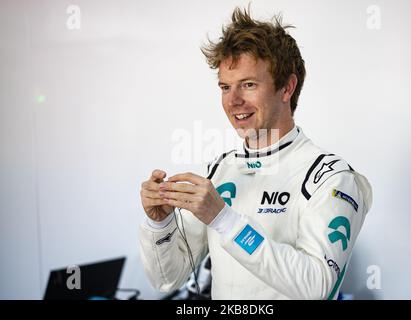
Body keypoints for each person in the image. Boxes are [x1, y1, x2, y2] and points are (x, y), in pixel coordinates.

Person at [139, 6, 372, 300]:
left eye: (248, 85)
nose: (233, 101)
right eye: (225, 87)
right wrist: (159, 224)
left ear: (287, 87)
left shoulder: (331, 178)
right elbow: (167, 279)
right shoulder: (220, 170)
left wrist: (224, 219)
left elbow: (317, 287)